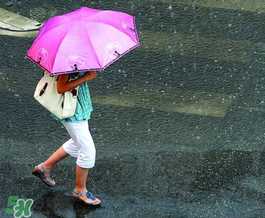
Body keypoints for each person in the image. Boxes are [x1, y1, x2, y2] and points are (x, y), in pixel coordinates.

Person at [32, 71, 101, 206]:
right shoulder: (69, 61)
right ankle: (80, 190)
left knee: (77, 143)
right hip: (71, 109)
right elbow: (61, 88)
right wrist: (87, 76)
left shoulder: (74, 57)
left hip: (76, 106)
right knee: (87, 151)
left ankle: (44, 167)